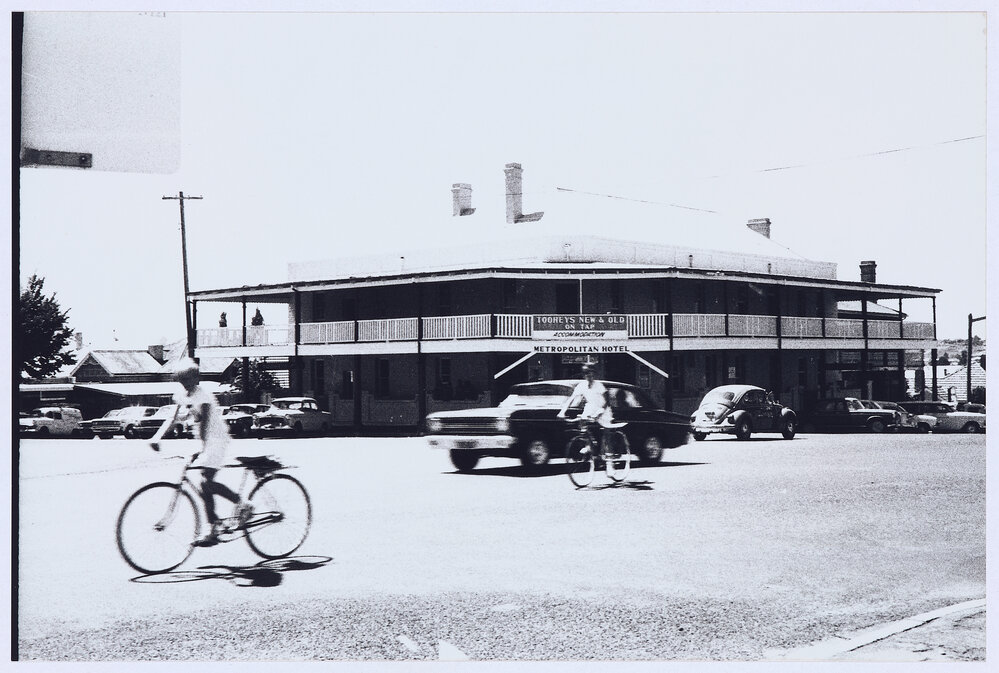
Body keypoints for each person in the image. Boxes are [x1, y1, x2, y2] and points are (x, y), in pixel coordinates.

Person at [150, 357, 242, 547]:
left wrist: (201, 449)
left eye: (188, 380)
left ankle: (242, 504)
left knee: (206, 482)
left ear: (196, 379)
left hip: (216, 439)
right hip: (204, 441)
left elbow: (206, 423)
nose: (185, 384)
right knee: (204, 486)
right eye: (181, 380)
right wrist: (157, 437)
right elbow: (172, 418)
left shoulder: (203, 395)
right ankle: (215, 525)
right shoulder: (182, 395)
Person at [557, 365, 614, 455]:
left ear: (594, 374)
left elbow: (607, 401)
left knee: (605, 433)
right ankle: (588, 446)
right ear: (583, 375)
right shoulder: (582, 386)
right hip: (590, 409)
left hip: (603, 410)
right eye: (586, 373)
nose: (589, 375)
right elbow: (571, 399)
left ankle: (609, 454)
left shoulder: (599, 385)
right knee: (582, 424)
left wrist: (601, 411)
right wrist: (562, 412)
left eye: (591, 372)